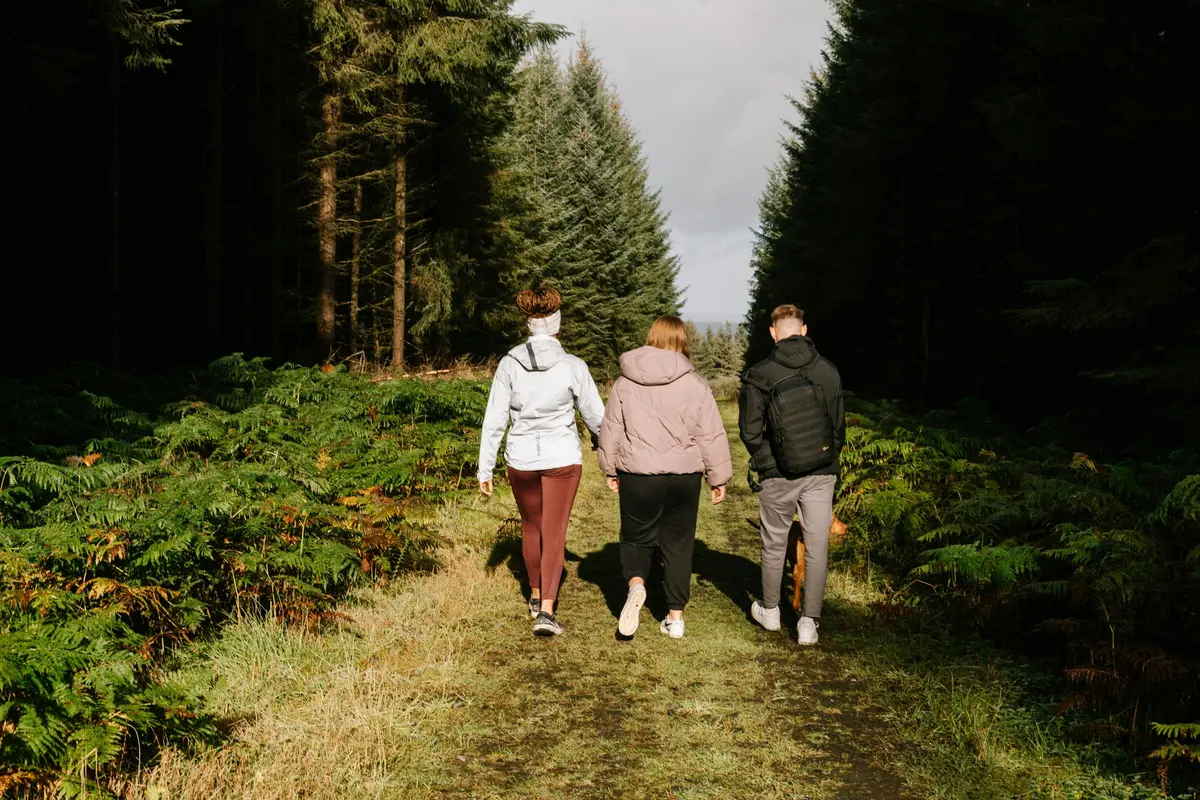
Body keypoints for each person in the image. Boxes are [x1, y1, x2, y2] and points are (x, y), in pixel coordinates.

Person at [478, 288, 605, 638]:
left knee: (531, 526)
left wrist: (484, 467)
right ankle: (547, 611)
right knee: (554, 531)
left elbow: (495, 418)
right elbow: (596, 417)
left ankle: (535, 595)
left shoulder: (508, 364)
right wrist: (610, 454)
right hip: (562, 457)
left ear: (529, 326)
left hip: (521, 458)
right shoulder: (573, 366)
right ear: (556, 326)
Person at [598, 316, 733, 640]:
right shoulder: (695, 383)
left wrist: (610, 468)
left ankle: (636, 585)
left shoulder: (624, 382)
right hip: (684, 475)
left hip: (638, 473)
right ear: (682, 341)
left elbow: (612, 429)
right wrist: (718, 477)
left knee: (635, 537)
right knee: (678, 544)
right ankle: (675, 618)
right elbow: (710, 433)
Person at [739, 304, 845, 646]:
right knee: (817, 546)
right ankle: (809, 623)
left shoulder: (759, 374)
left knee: (774, 542)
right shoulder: (828, 371)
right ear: (803, 329)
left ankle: (770, 611)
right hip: (821, 472)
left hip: (777, 475)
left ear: (773, 333)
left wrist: (769, 461)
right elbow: (838, 428)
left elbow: (750, 432)